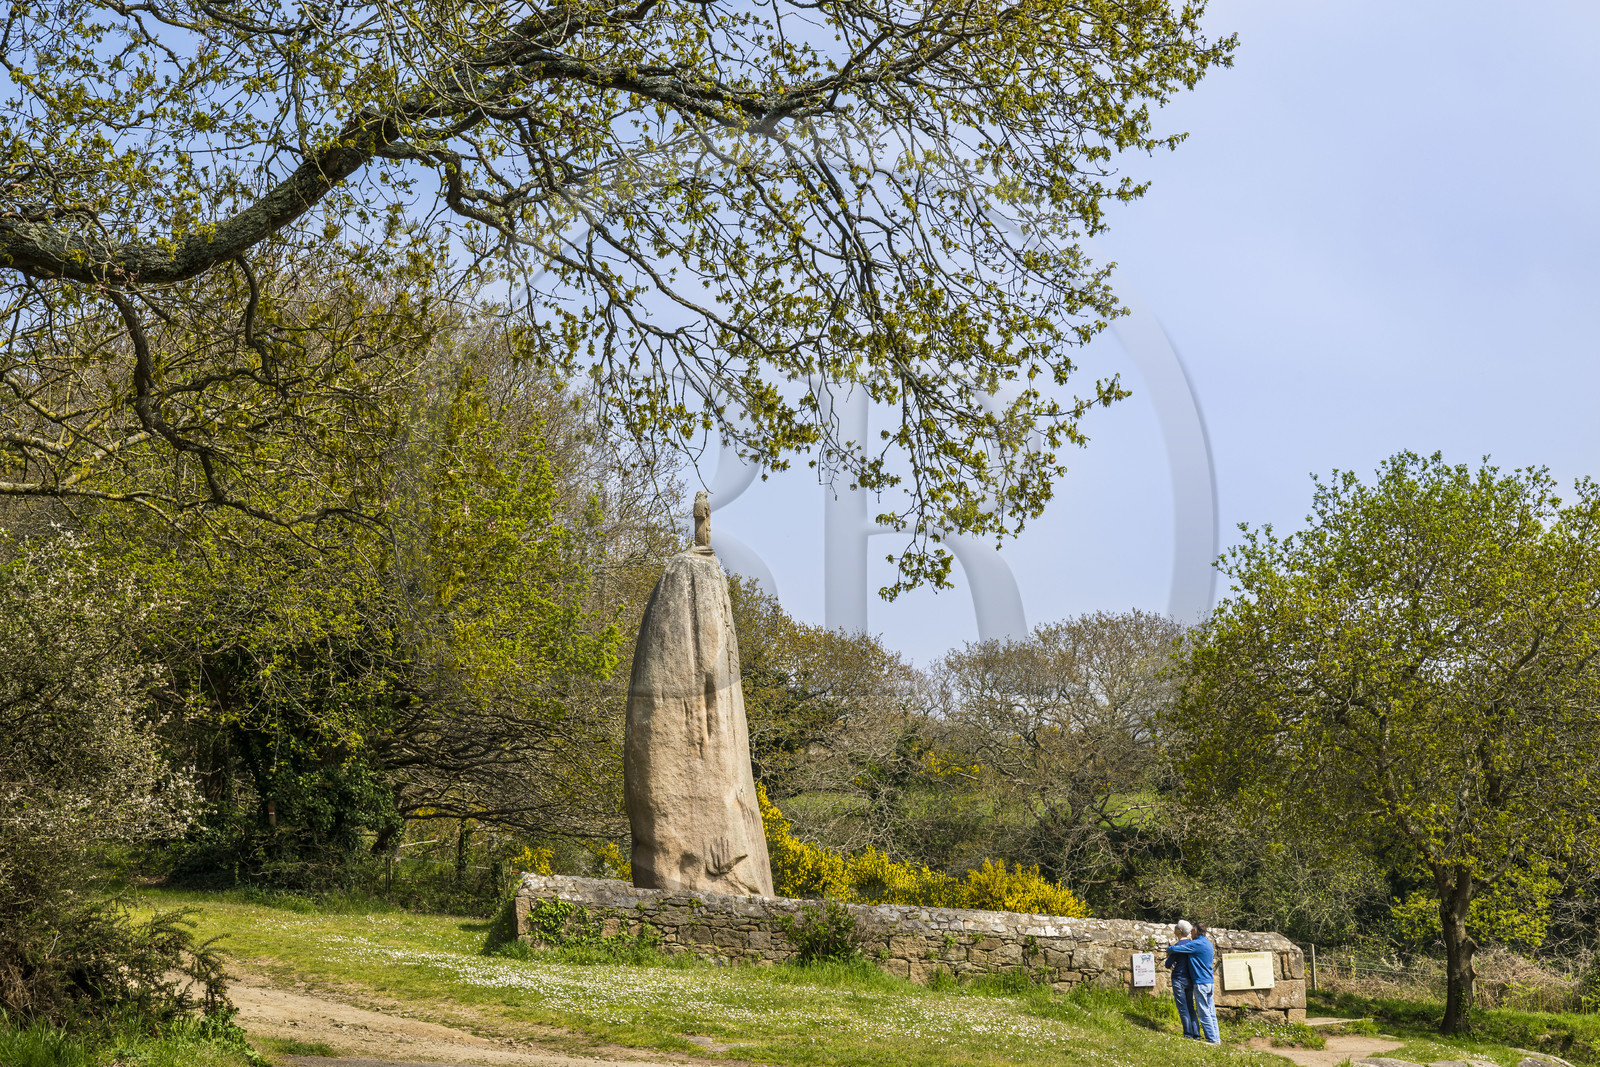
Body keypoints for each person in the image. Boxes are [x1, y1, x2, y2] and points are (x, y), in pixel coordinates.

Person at [1166, 921, 1219, 1044]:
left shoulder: (1196, 944)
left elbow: (1176, 948)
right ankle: (1216, 1039)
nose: (1191, 933)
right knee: (1211, 1012)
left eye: (1192, 931)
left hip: (1200, 982)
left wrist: (1169, 948)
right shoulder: (1208, 943)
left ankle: (1211, 1040)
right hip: (1210, 982)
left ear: (1195, 931)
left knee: (1203, 1012)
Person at [1165, 919, 1201, 1040]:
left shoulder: (1177, 946)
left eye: (1176, 927)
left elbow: (1167, 964)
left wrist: (1169, 958)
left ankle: (1188, 1034)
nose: (1174, 928)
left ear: (1180, 930)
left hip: (1179, 978)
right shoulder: (1192, 944)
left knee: (1183, 1007)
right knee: (1191, 1007)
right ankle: (1196, 1034)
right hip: (1190, 978)